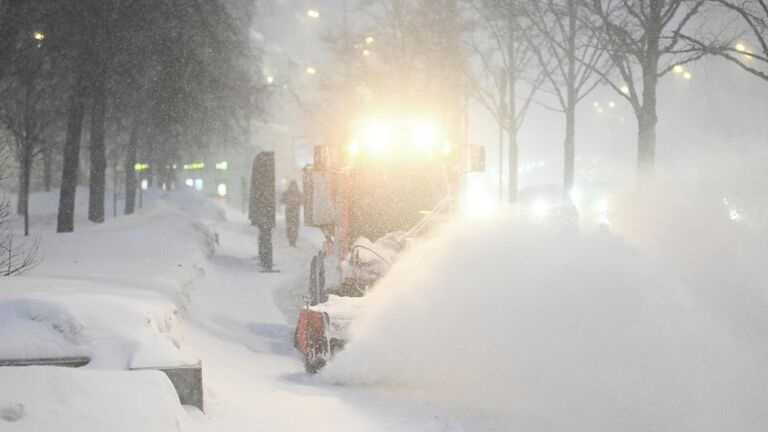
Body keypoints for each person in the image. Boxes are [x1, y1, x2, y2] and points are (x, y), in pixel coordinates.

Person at [281, 180, 303, 247]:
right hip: (289, 213)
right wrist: (288, 201)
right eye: (292, 186)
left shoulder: (299, 193)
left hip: (296, 213)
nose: (293, 188)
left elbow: (302, 202)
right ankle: (290, 239)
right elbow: (282, 200)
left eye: (294, 186)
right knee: (289, 227)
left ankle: (294, 241)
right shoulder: (286, 193)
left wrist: (297, 201)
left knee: (295, 227)